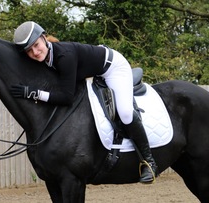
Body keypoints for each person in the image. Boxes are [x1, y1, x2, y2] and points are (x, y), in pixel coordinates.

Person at [10, 21, 158, 183]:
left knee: (125, 112)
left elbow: (66, 98)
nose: (35, 52)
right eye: (29, 51)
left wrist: (33, 93)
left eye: (37, 45)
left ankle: (148, 161)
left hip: (113, 68)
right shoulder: (46, 57)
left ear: (44, 38)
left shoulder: (63, 56)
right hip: (94, 70)